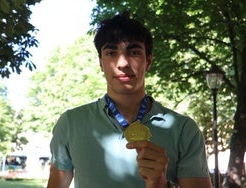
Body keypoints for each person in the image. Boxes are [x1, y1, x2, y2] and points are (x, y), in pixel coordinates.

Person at [47, 12, 213, 188]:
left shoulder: (184, 130)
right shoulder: (71, 123)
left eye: (133, 52)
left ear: (148, 61)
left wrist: (161, 185)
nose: (123, 62)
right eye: (111, 52)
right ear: (101, 63)